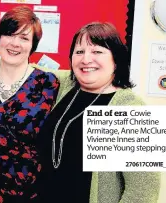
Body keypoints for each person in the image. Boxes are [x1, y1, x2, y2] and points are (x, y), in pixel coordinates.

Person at [35, 22, 161, 203]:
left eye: (97, 52)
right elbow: (31, 71)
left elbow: (143, 192)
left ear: (116, 59)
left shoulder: (130, 108)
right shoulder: (68, 87)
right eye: (79, 52)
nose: (86, 59)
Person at [0, 5, 60, 202]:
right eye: (9, 34)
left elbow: (87, 75)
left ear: (33, 45)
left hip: (27, 193)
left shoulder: (48, 83)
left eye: (24, 38)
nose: (15, 43)